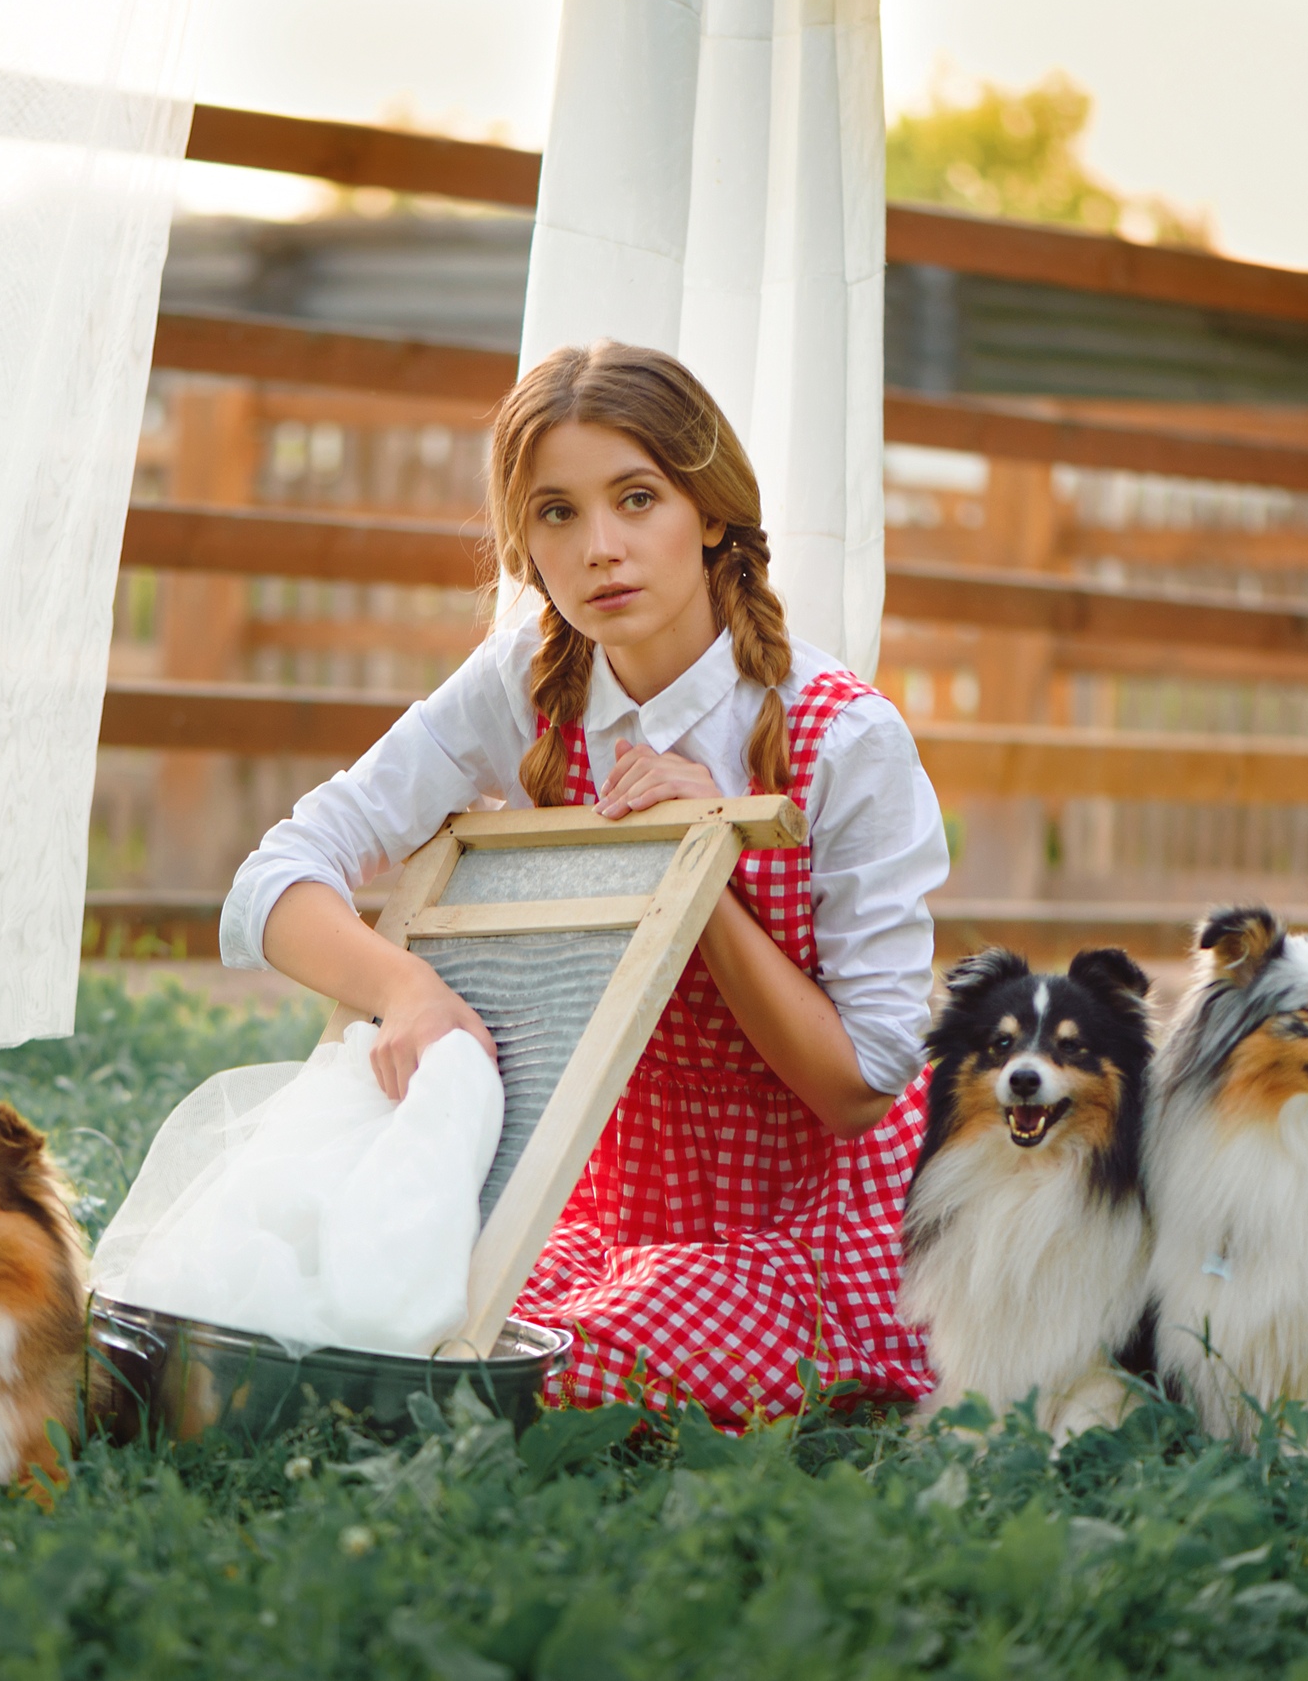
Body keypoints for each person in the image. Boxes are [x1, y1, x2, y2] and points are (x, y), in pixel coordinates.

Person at [219, 341, 949, 1427]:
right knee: (364, 1306)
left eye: (637, 498)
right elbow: (273, 880)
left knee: (532, 1373)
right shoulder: (527, 685)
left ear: (709, 512)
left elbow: (857, 1087)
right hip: (588, 1206)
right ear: (525, 542)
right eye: (556, 513)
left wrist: (697, 857)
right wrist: (406, 991)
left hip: (801, 1229)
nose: (600, 548)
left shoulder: (842, 736)